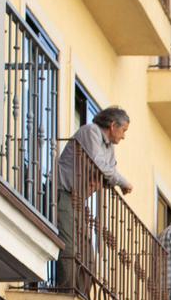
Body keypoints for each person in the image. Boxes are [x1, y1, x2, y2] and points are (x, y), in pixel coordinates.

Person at [55, 107, 133, 287]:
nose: (123, 136)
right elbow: (99, 164)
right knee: (70, 248)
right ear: (113, 126)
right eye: (124, 131)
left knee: (88, 256)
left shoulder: (109, 147)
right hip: (64, 193)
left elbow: (109, 169)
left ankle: (82, 298)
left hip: (78, 200)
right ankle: (66, 293)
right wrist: (122, 182)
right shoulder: (91, 131)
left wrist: (107, 180)